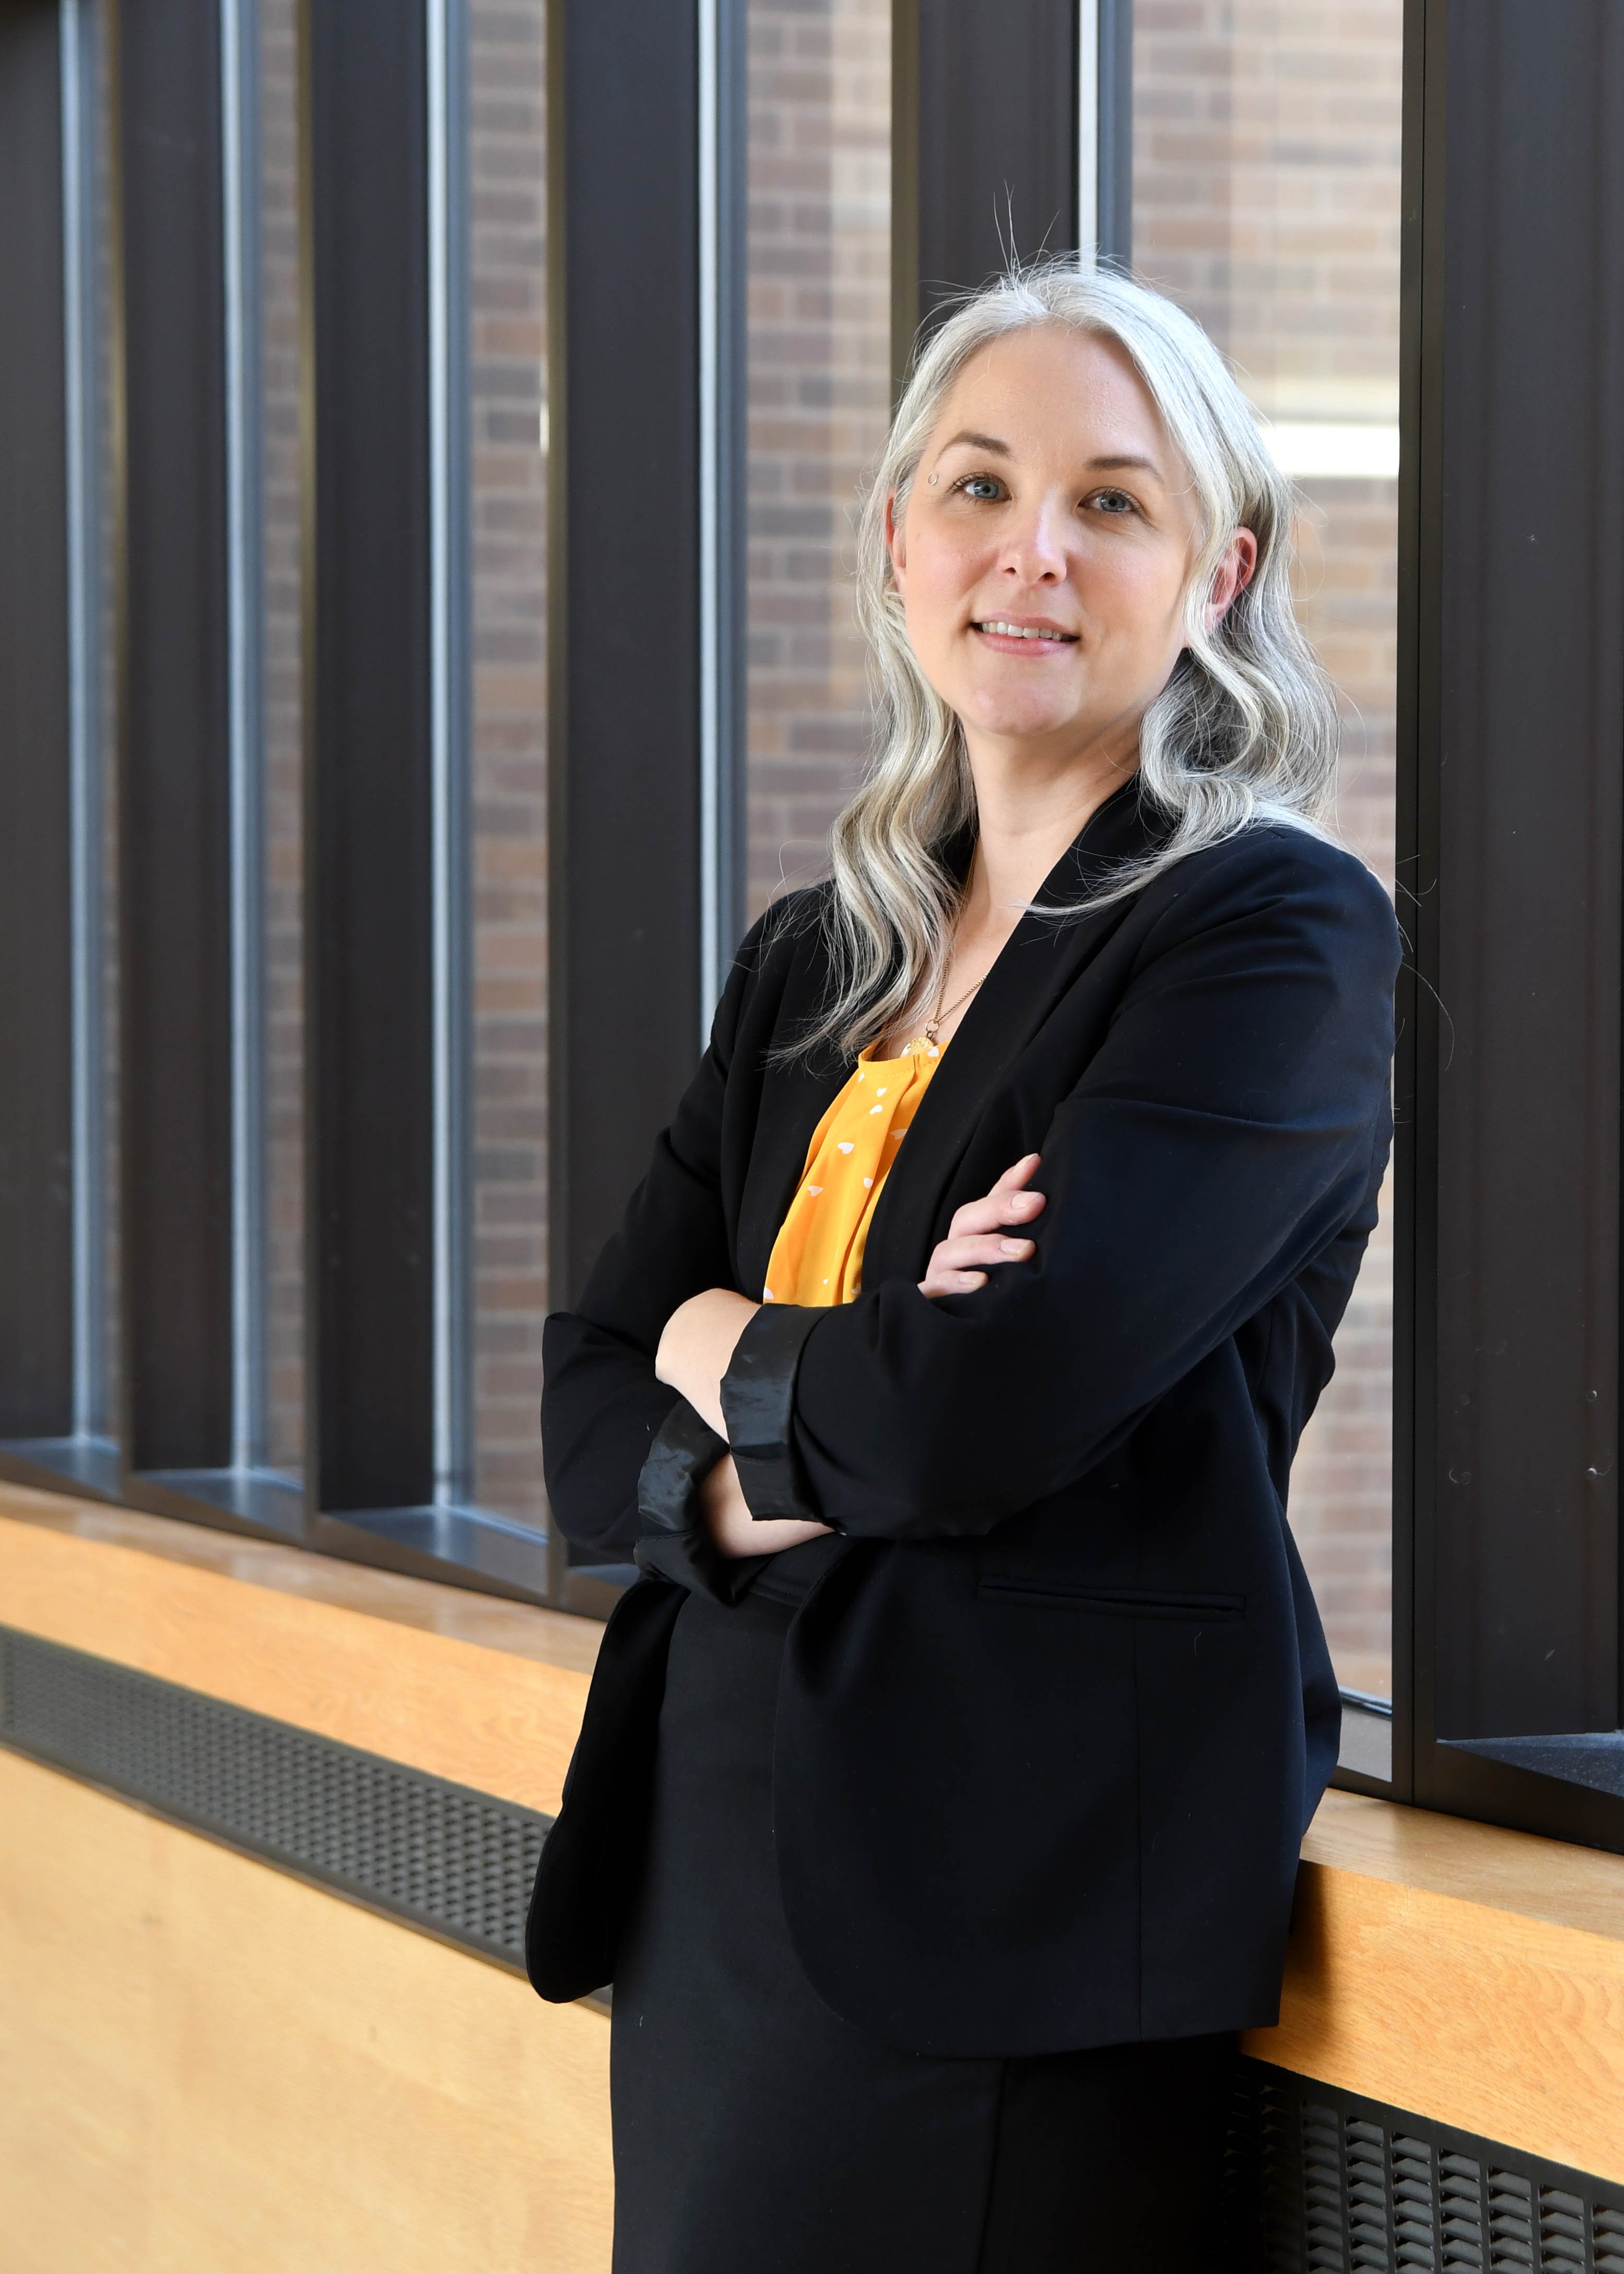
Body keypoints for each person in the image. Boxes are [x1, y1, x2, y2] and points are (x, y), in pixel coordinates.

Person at [527, 259, 1399, 2273]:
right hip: (716, 1857)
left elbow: (972, 1415)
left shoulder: (1264, 933)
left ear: (1218, 573)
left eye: (1114, 502)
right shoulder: (819, 956)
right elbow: (582, 1399)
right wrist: (775, 1430)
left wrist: (722, 1334)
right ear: (898, 538)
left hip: (1010, 1892)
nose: (1034, 550)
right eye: (982, 486)